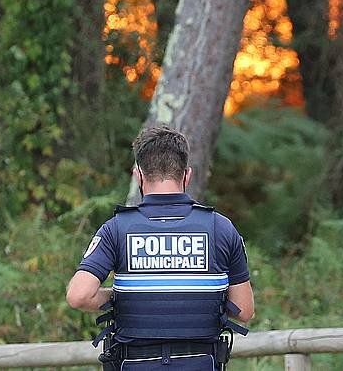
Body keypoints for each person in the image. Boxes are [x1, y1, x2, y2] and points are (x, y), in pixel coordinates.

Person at [66, 125, 254, 370]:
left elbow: (78, 295)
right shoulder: (221, 228)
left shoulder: (116, 229)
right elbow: (244, 311)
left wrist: (121, 297)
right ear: (187, 175)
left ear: (138, 175)